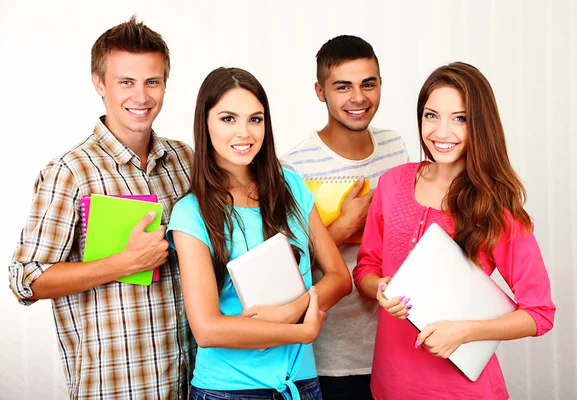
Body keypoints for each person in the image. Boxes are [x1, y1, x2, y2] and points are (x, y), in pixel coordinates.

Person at [8, 16, 194, 399]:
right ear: (99, 83)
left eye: (152, 81)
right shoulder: (70, 172)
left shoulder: (185, 161)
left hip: (192, 383)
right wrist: (122, 264)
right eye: (126, 81)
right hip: (115, 388)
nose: (140, 97)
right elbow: (24, 279)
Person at [353, 62, 556, 399]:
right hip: (389, 385)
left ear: (479, 125)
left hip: (463, 390)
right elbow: (366, 268)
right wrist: (379, 288)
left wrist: (464, 332)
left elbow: (540, 313)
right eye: (431, 115)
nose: (441, 131)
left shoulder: (496, 208)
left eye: (459, 118)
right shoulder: (392, 183)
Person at [166, 67, 352, 400]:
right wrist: (298, 330)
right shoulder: (191, 213)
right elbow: (207, 329)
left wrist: (290, 312)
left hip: (301, 386)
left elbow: (339, 276)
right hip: (228, 391)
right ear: (204, 124)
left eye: (255, 119)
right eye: (228, 119)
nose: (244, 133)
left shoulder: (291, 187)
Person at [280, 35, 409, 399]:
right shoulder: (293, 165)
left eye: (368, 84)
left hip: (396, 342)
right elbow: (287, 266)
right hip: (329, 356)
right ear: (320, 92)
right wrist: (342, 227)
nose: (358, 98)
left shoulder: (396, 146)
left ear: (381, 84)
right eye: (343, 87)